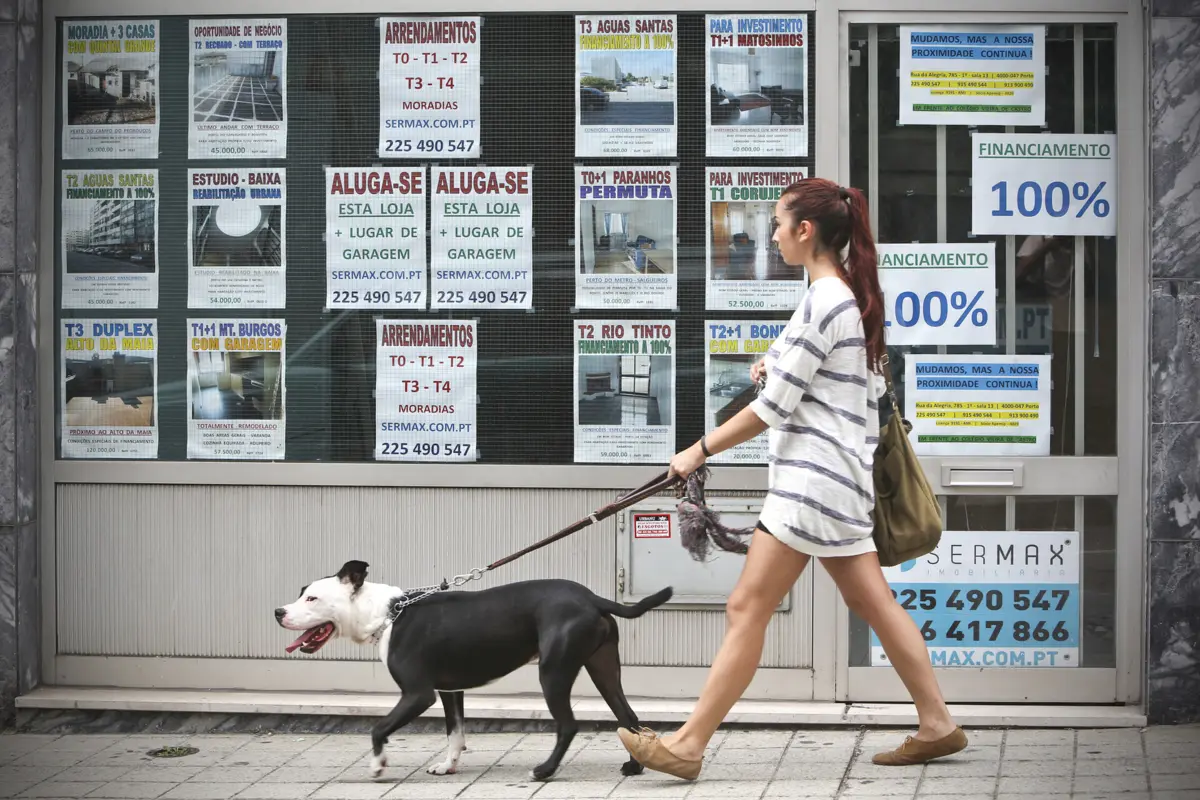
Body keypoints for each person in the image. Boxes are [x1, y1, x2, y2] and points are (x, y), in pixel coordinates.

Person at [617, 178, 966, 780]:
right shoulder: (840, 296)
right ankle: (937, 724)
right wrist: (770, 364)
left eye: (778, 223)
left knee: (747, 606)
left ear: (806, 231)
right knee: (874, 603)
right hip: (837, 483)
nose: (773, 235)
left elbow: (773, 409)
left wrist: (697, 450)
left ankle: (688, 745)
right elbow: (814, 379)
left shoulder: (824, 300)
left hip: (811, 488)